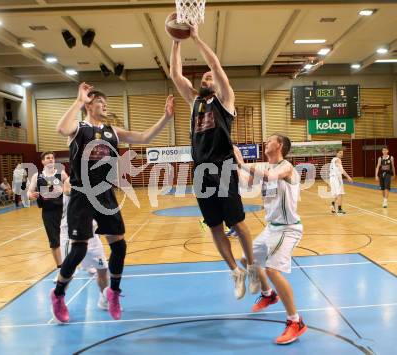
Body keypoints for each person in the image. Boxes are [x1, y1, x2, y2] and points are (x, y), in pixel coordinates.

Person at [52, 82, 174, 323]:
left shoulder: (113, 131)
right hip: (81, 193)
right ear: (89, 104)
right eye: (99, 101)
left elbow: (144, 136)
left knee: (119, 246)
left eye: (106, 103)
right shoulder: (79, 128)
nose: (104, 105)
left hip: (105, 193)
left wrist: (166, 117)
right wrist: (78, 100)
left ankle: (114, 292)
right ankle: (57, 295)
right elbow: (60, 128)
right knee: (79, 249)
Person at [169, 24, 259, 299]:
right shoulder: (195, 101)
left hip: (222, 167)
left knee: (238, 223)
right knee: (214, 226)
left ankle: (252, 266)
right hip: (200, 171)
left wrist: (195, 37)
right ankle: (235, 271)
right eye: (204, 77)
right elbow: (175, 74)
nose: (206, 78)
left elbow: (216, 66)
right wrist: (176, 41)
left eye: (210, 77)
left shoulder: (226, 101)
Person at [235, 134, 307, 345]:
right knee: (246, 260)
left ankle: (296, 321)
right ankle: (268, 294)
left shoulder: (287, 168)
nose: (266, 143)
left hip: (288, 229)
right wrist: (235, 164)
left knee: (272, 270)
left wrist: (241, 163)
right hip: (271, 228)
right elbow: (247, 184)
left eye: (270, 140)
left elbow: (270, 176)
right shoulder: (266, 167)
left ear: (280, 145)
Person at [60, 177, 110, 311]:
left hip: (91, 233)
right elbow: (72, 191)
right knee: (68, 273)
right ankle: (59, 300)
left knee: (103, 269)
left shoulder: (95, 179)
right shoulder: (70, 181)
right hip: (72, 233)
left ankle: (104, 299)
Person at [28, 152, 68, 273]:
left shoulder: (61, 173)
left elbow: (70, 185)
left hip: (63, 210)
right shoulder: (37, 176)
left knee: (71, 237)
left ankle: (74, 263)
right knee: (54, 240)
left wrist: (66, 188)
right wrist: (31, 195)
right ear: (43, 161)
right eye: (48, 158)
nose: (51, 160)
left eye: (52, 158)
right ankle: (60, 268)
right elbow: (29, 192)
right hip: (48, 212)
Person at [329, 150, 353, 215]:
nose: (341, 154)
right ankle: (339, 210)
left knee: (336, 194)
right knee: (340, 193)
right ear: (336, 153)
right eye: (340, 153)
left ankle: (332, 205)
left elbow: (338, 169)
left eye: (342, 153)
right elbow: (342, 170)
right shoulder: (338, 160)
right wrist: (348, 177)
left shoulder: (333, 160)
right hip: (336, 178)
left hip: (332, 178)